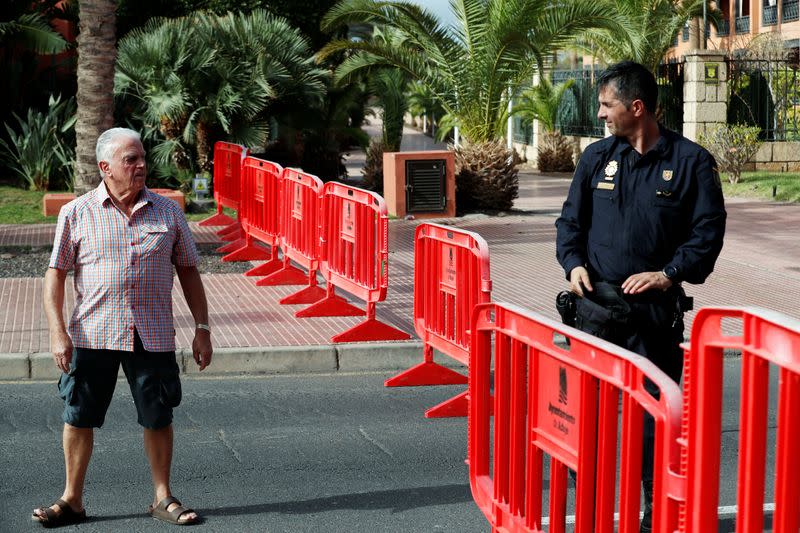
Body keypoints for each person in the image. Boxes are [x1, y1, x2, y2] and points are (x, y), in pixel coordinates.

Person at [555, 61, 726, 532]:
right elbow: (570, 224)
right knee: (585, 416)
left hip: (651, 317)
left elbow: (707, 233)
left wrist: (670, 274)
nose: (601, 113)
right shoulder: (595, 158)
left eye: (607, 104)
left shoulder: (690, 161)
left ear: (636, 107)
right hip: (594, 312)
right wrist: (573, 265)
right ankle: (590, 507)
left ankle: (657, 512)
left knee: (654, 418)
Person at [34, 127, 213, 527]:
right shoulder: (76, 212)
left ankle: (163, 497)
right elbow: (55, 275)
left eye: (142, 158)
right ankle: (72, 500)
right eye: (130, 159)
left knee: (158, 415)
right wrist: (57, 331)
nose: (140, 165)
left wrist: (202, 327)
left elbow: (188, 270)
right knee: (78, 415)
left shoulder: (168, 212)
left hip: (150, 334)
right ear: (105, 167)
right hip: (91, 334)